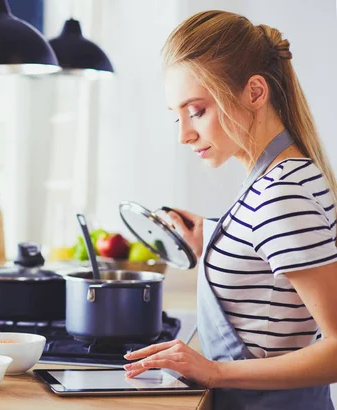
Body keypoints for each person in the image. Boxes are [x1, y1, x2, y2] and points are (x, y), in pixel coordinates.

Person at [123, 10, 337, 410]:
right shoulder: (280, 176)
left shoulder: (281, 193)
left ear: (255, 92)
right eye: (178, 117)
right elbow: (275, 290)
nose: (185, 135)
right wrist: (217, 241)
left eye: (197, 111)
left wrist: (213, 371)